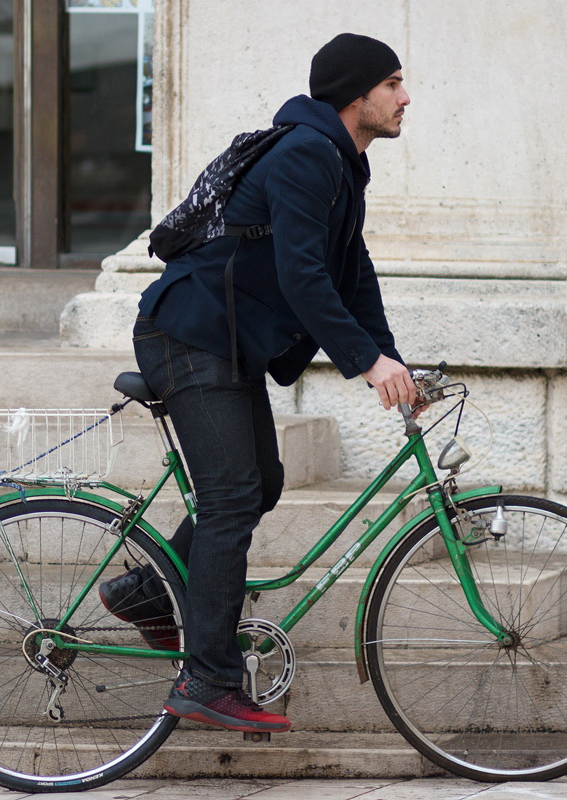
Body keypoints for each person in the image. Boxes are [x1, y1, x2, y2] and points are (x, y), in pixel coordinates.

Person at [105, 32, 414, 734]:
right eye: (392, 83)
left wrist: (390, 359)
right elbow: (305, 278)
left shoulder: (340, 163)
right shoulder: (307, 155)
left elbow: (350, 272)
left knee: (261, 482)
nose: (404, 96)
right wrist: (367, 362)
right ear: (356, 96)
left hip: (223, 343)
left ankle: (148, 594)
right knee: (232, 495)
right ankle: (208, 679)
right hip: (188, 337)